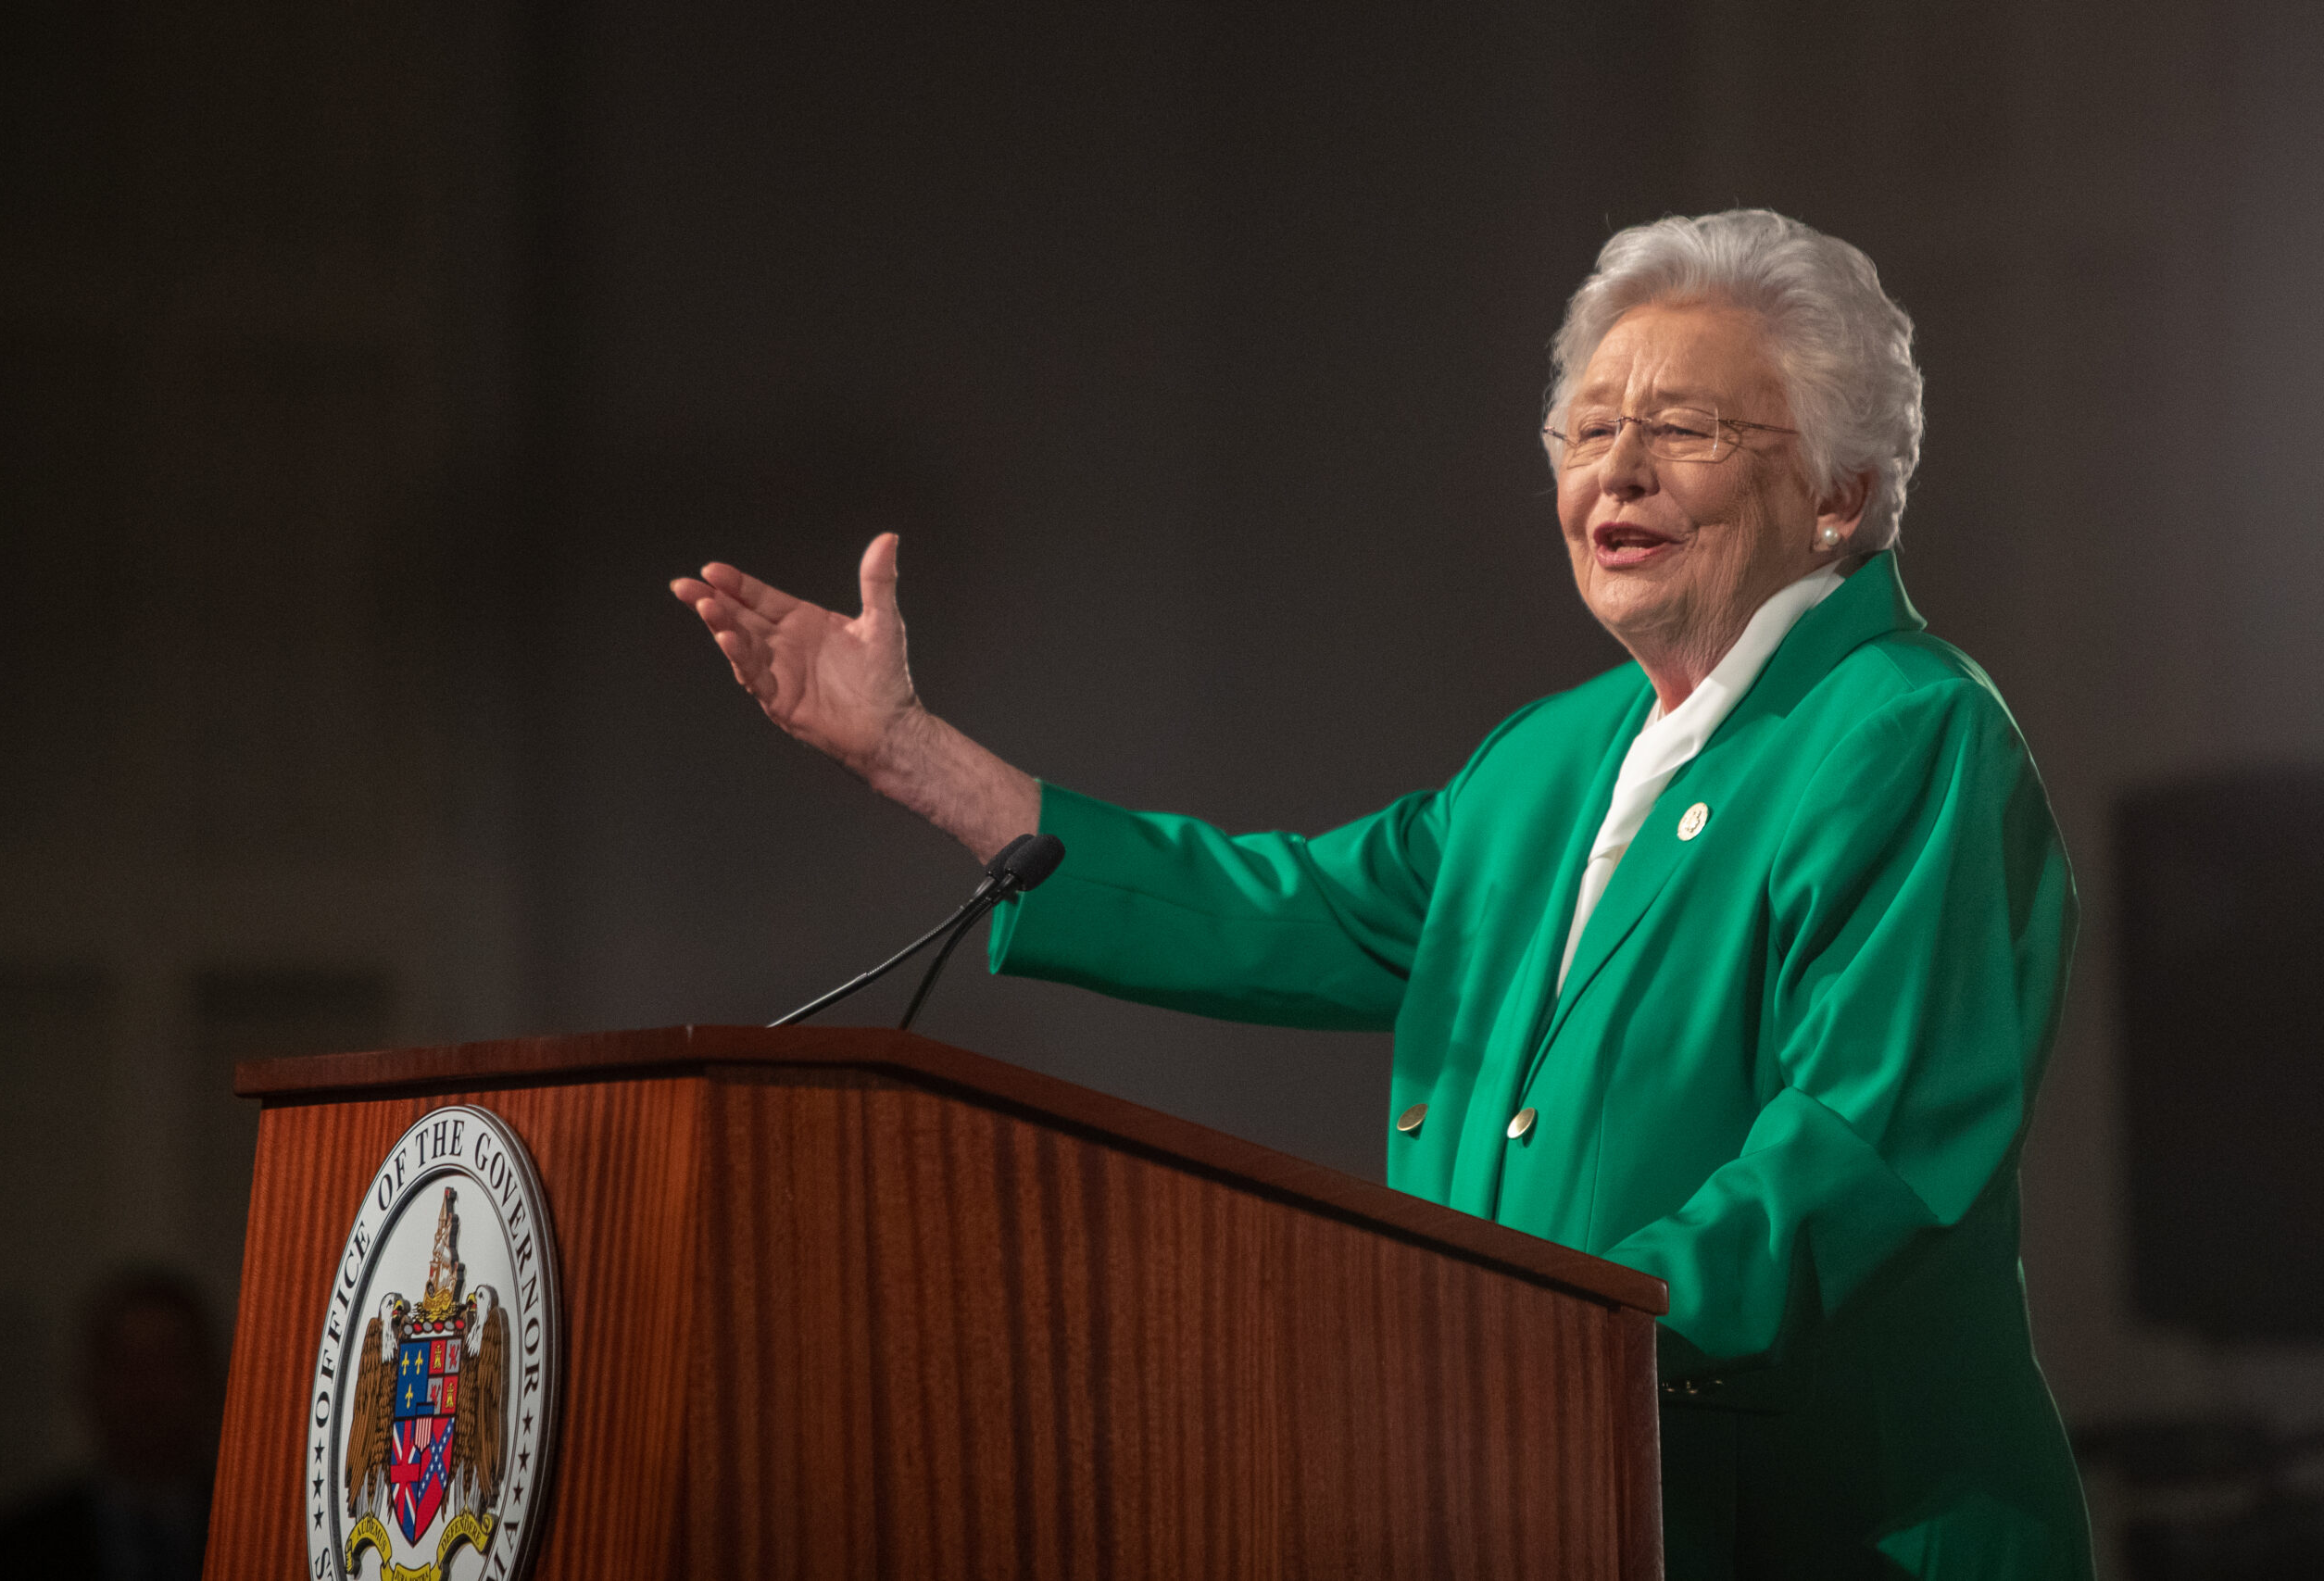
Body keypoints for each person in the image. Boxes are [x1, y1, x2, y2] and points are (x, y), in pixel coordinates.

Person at [672, 208, 2091, 1579]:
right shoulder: (1547, 761)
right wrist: (913, 755)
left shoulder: (1905, 730)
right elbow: (1285, 910)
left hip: (1818, 1531)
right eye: (1590, 428)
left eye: (1686, 428)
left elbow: (1863, 1155)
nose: (1618, 471)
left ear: (1841, 492)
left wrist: (1526, 1335)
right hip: (1547, 1498)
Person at [0, 1268, 221, 1581]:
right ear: (87, 1382)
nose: (146, 1390)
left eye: (169, 1363)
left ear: (212, 1381)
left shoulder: (259, 1540)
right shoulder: (3, 1553)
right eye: (124, 1364)